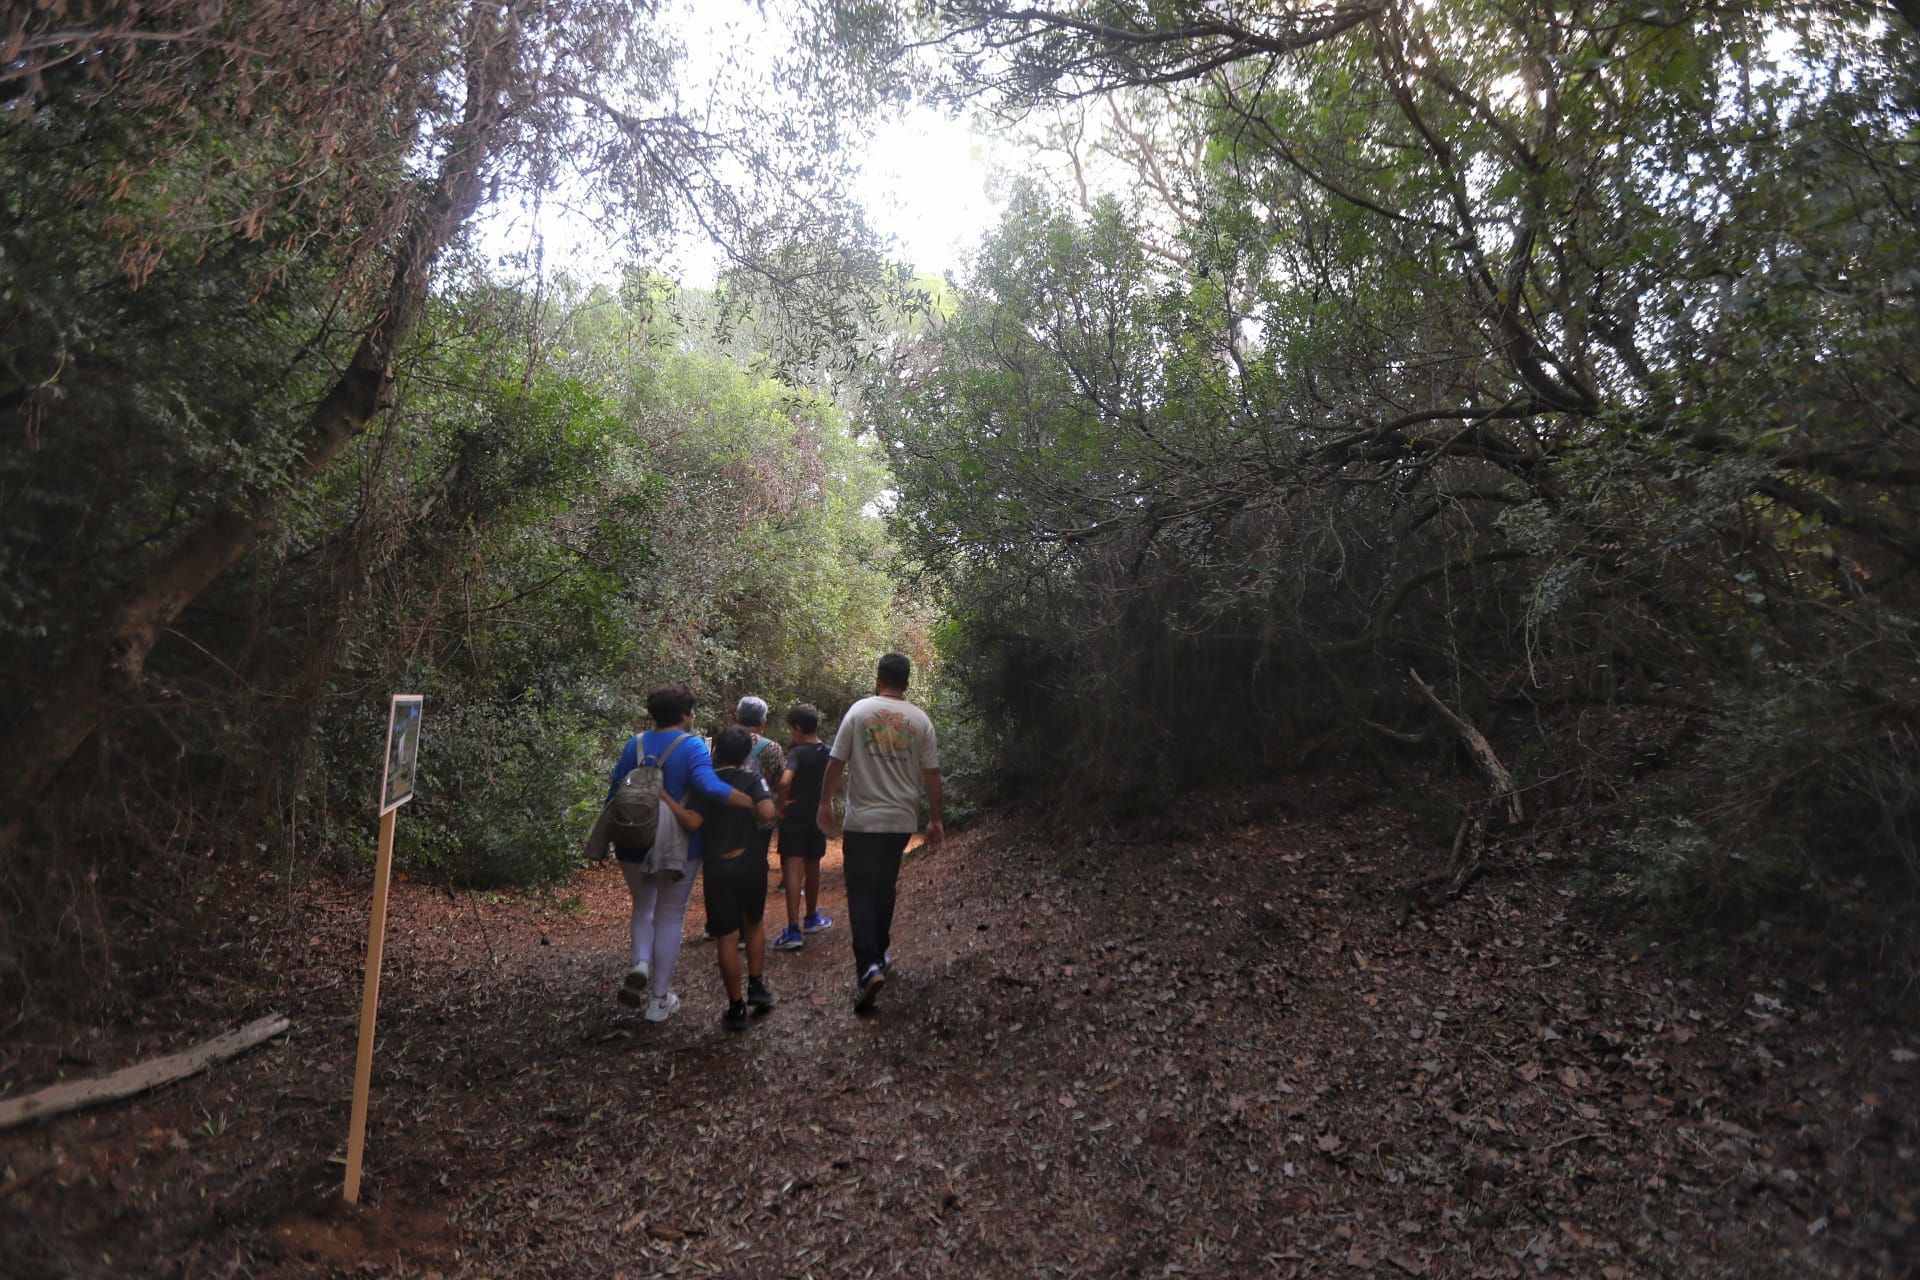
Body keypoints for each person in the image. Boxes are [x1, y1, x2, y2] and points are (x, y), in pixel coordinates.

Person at [603, 684, 757, 1022]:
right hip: (678, 845)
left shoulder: (636, 744)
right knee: (670, 914)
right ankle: (659, 1000)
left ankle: (640, 962)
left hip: (632, 838)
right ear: (686, 715)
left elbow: (615, 789)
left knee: (643, 905)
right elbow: (708, 786)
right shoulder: (692, 746)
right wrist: (750, 801)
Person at [816, 653, 944, 1012]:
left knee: (859, 891)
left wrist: (825, 802)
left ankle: (868, 966)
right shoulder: (920, 720)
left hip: (863, 821)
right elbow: (932, 773)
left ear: (878, 678)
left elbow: (836, 761)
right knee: (884, 886)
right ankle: (881, 955)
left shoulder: (859, 712)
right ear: (907, 682)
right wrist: (936, 819)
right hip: (900, 821)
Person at [696, 726, 780, 1030]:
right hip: (751, 862)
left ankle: (735, 1007)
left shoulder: (704, 782)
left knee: (727, 936)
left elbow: (694, 821)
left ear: (715, 751)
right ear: (746, 754)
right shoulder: (751, 779)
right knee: (754, 923)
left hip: (717, 865)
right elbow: (768, 811)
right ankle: (757, 985)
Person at [770, 703, 832, 951]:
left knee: (794, 869)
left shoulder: (796, 753)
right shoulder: (828, 751)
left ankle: (793, 929)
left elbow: (785, 780)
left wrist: (781, 803)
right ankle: (812, 918)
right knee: (813, 863)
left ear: (797, 728)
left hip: (794, 813)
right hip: (816, 813)